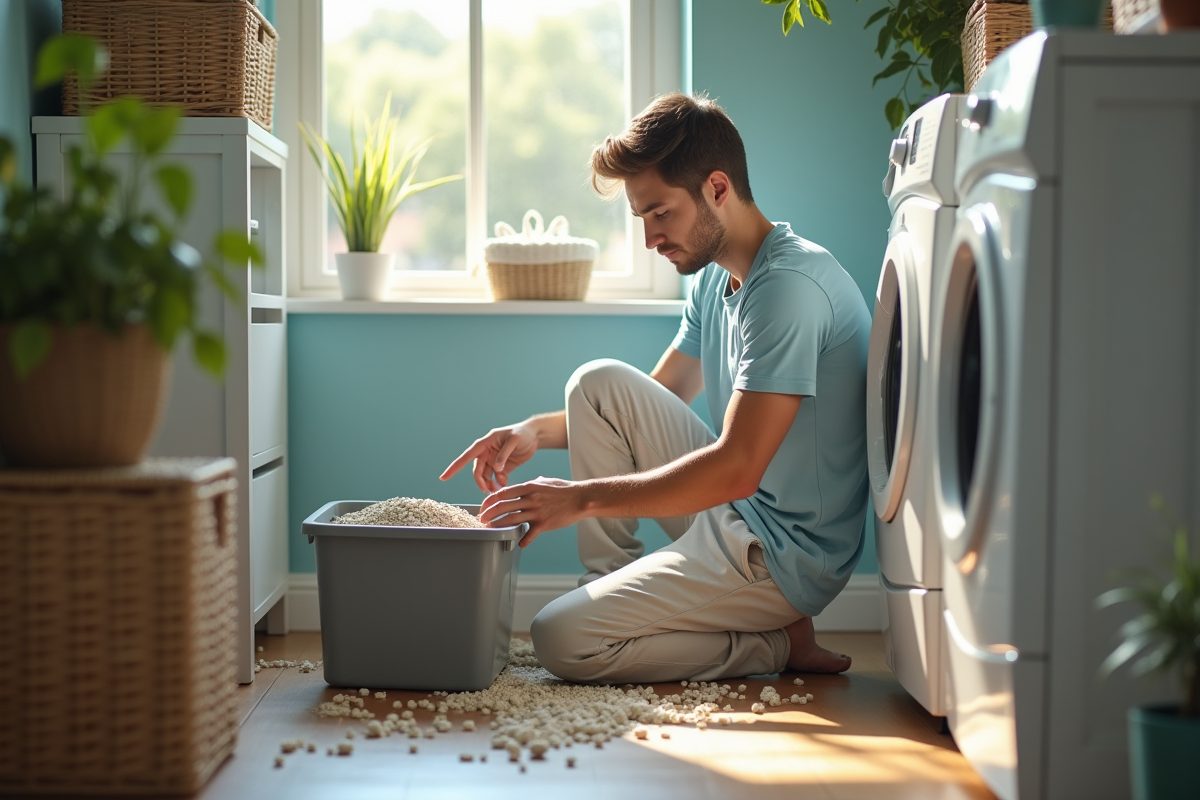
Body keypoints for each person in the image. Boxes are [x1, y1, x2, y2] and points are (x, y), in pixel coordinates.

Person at [441, 92, 870, 685]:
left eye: (661, 213)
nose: (650, 238)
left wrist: (581, 497)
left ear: (717, 188)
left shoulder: (787, 290)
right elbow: (643, 401)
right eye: (642, 218)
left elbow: (738, 466)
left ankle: (769, 644)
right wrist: (531, 433)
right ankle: (609, 592)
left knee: (559, 641)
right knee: (597, 384)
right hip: (741, 511)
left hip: (784, 554)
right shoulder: (717, 280)